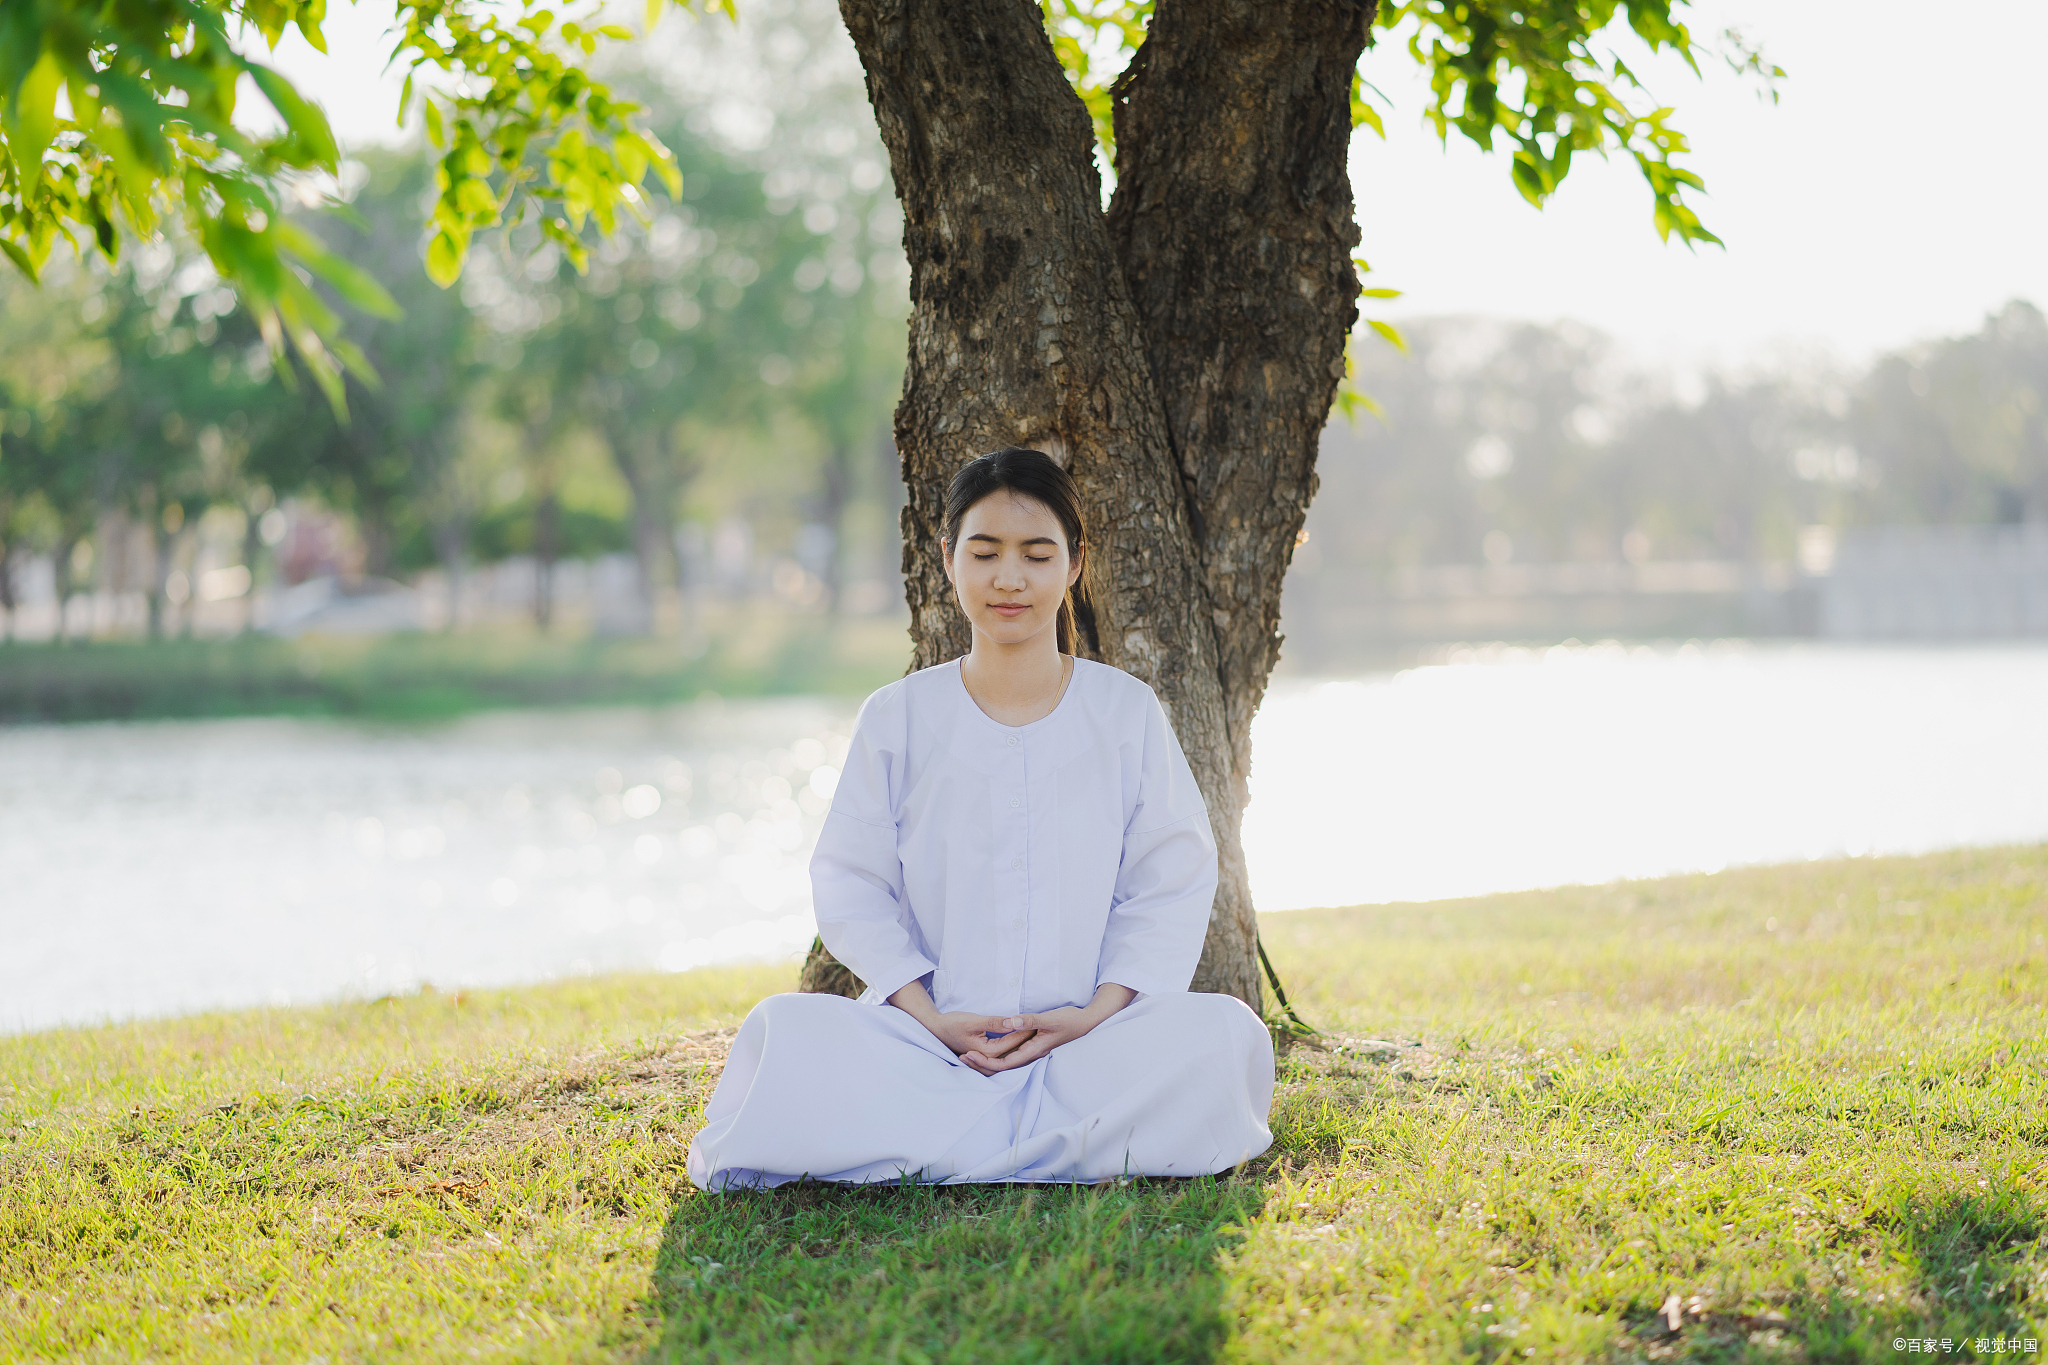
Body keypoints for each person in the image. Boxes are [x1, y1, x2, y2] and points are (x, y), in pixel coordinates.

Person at [686, 446, 1274, 1188]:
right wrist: (929, 1016)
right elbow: (850, 881)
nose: (1009, 578)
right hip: (930, 1047)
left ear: (1074, 562)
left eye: (1036, 553)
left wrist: (1092, 1014)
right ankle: (1043, 1144)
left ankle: (954, 1146)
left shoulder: (1123, 711)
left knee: (1223, 1035)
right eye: (986, 551)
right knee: (786, 1031)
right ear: (947, 558)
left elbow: (1172, 878)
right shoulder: (898, 716)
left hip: (1090, 1046)